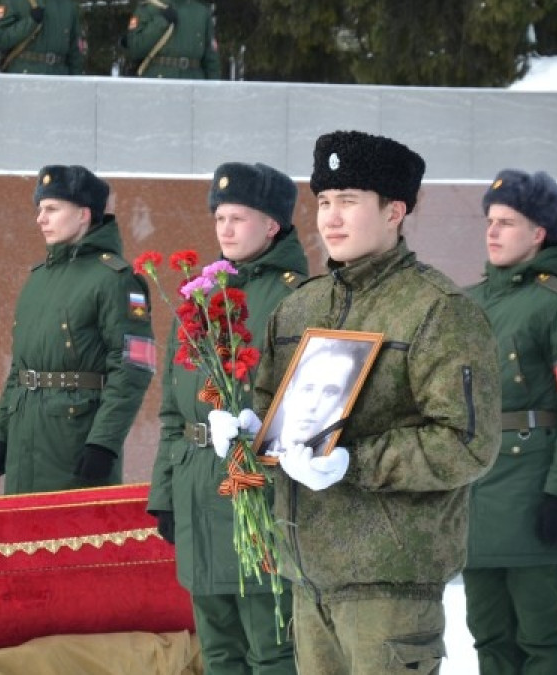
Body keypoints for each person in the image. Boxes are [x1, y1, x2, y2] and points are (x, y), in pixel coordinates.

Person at [211, 130, 502, 674]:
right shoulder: (299, 309)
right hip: (308, 578)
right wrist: (251, 433)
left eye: (348, 201)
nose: (330, 218)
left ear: (395, 210)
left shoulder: (437, 310)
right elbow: (279, 418)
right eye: (324, 202)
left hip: (389, 586)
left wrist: (354, 462)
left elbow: (466, 443)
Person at [149, 162, 307, 675]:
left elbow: (308, 404)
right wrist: (165, 495)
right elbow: (173, 411)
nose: (225, 228)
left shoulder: (296, 296)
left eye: (238, 217)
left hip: (255, 492)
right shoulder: (199, 295)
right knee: (217, 651)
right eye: (219, 217)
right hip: (197, 489)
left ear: (272, 224)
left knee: (270, 650)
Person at [462, 170, 557, 675]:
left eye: (507, 222)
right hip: (475, 494)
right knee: (488, 634)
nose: (492, 231)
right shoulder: (469, 303)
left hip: (532, 494)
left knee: (540, 636)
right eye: (490, 221)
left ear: (539, 233)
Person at [0, 165, 155, 495]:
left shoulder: (116, 279)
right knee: (22, 527)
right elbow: (20, 367)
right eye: (40, 210)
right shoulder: (38, 279)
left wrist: (103, 442)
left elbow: (134, 367)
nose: (40, 219)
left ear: (83, 215)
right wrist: (0, 432)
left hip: (75, 440)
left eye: (52, 209)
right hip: (24, 438)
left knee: (70, 527)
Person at [263, 337, 363, 454]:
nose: (313, 405)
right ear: (288, 393)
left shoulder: (335, 458)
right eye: (308, 389)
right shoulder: (255, 451)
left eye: (329, 392)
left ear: (341, 402)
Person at [120, 0, 219, 79]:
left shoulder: (201, 12)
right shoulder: (150, 8)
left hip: (193, 82)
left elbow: (211, 60)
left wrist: (214, 90)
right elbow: (135, 48)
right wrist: (161, 22)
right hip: (158, 80)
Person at [0, 0, 84, 75]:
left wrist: (76, 82)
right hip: (24, 76)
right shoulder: (14, 2)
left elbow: (75, 50)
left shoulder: (68, 4)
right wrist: (30, 22)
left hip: (58, 76)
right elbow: (0, 38)